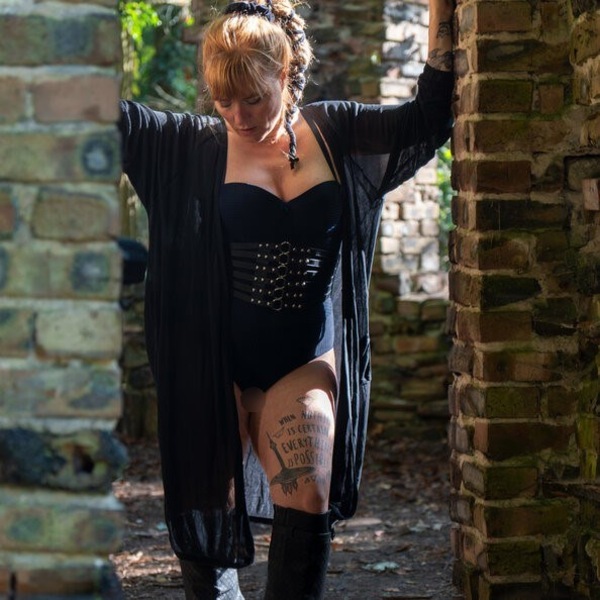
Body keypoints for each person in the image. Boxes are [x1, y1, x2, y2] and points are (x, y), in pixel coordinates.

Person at [119, 0, 454, 597]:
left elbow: (427, 119)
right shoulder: (186, 144)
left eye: (253, 98)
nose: (238, 115)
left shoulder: (336, 130)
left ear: (285, 71)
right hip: (212, 362)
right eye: (223, 100)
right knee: (207, 511)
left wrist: (440, 10)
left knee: (310, 497)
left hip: (302, 360)